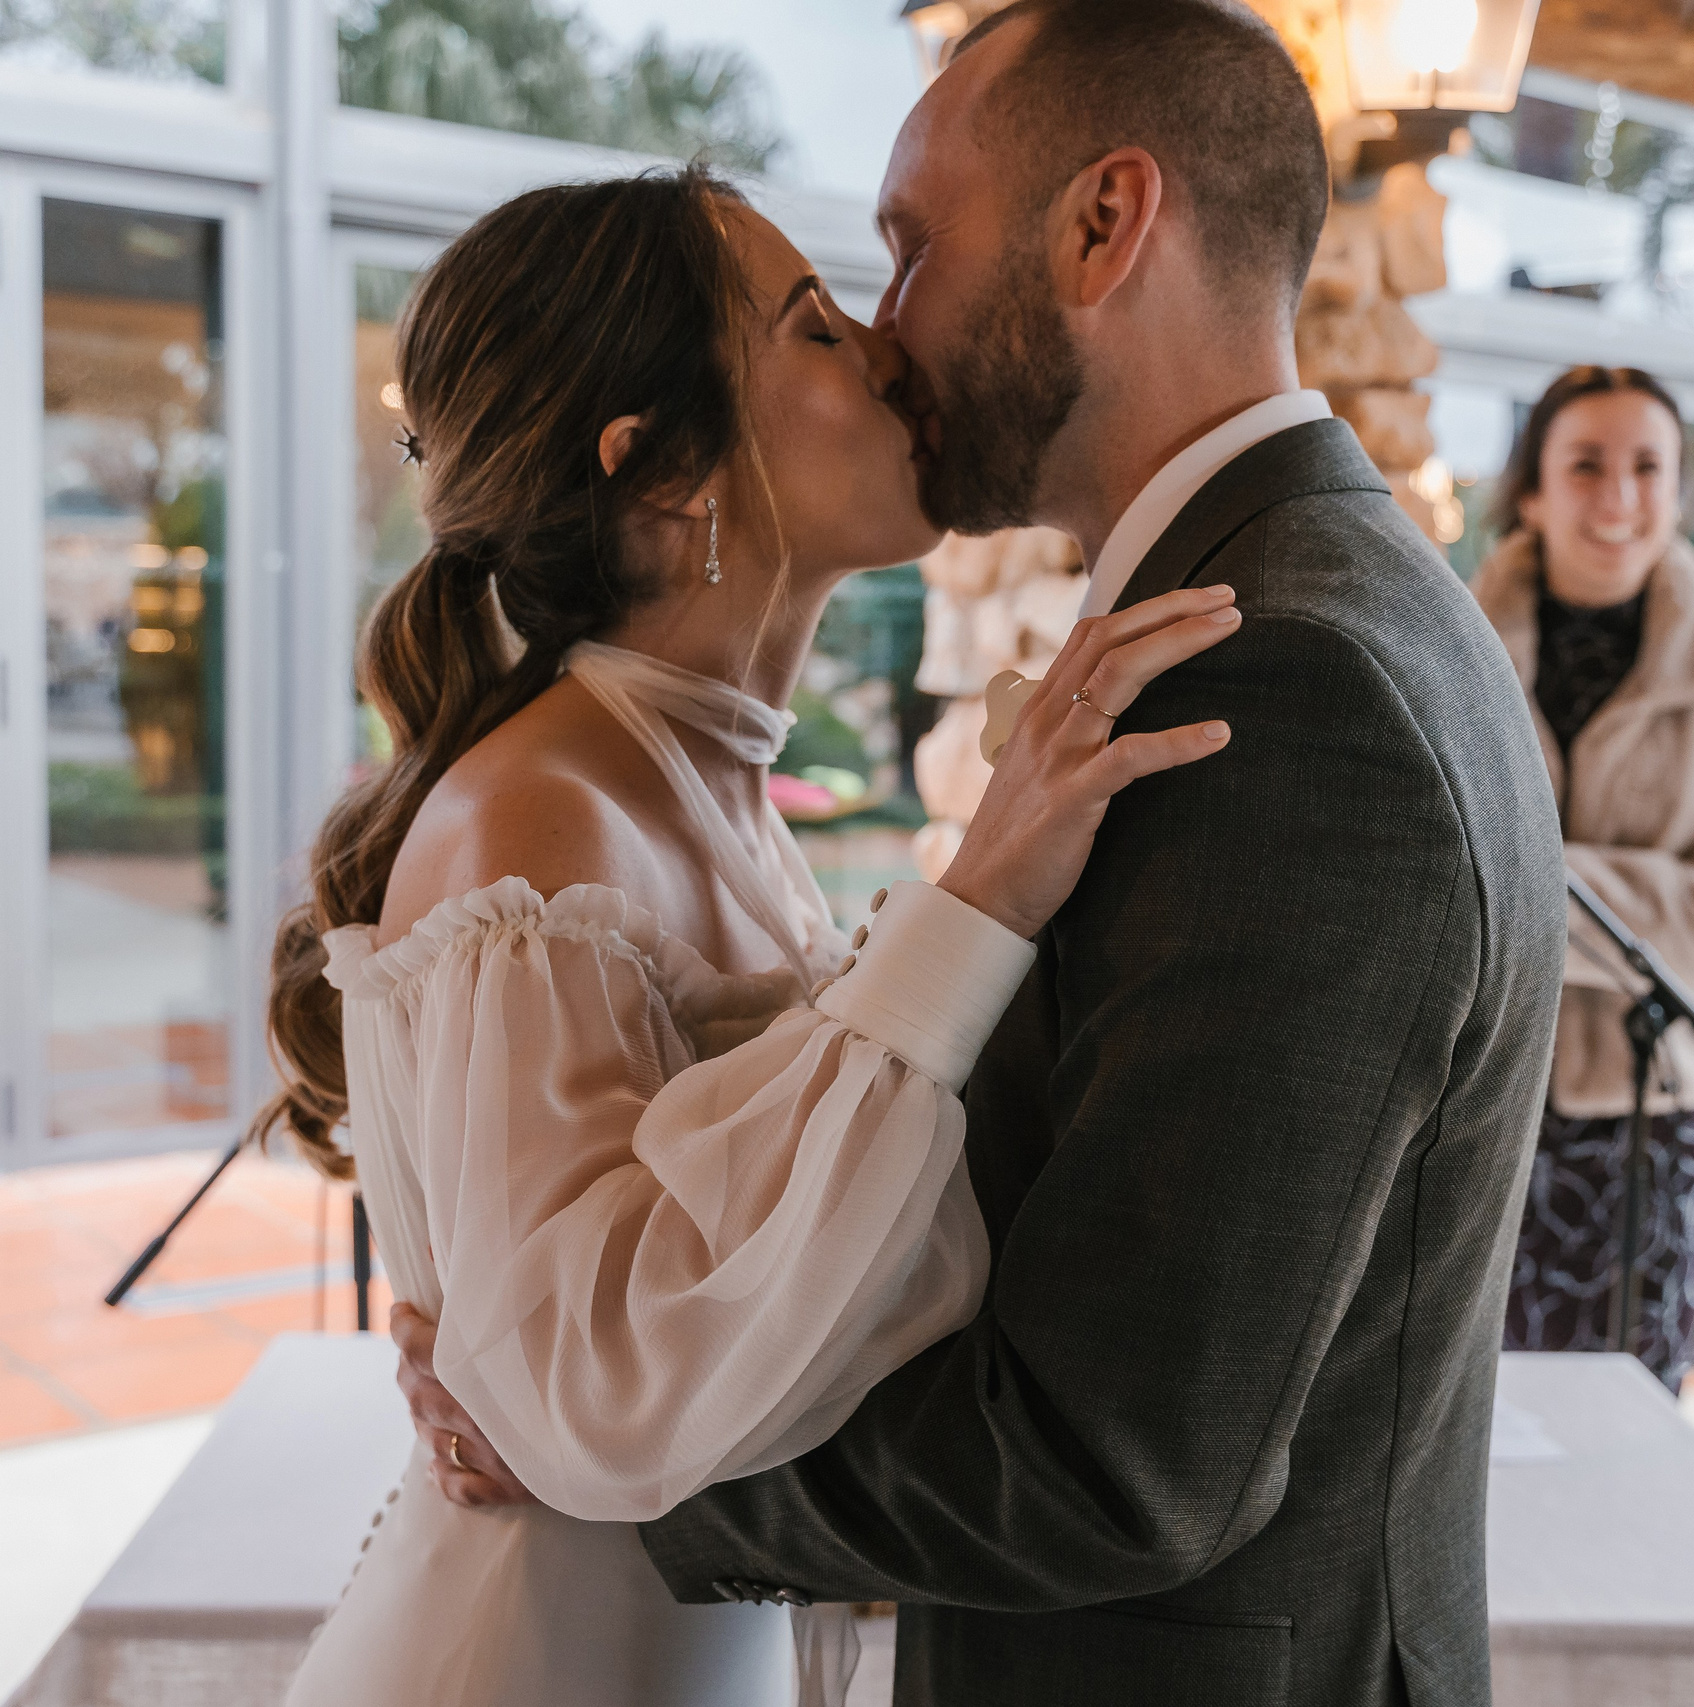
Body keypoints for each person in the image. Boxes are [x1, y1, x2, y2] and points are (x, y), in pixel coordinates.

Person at [392, 3, 1567, 1704]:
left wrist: (611, 1467)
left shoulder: (1288, 680)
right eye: (837, 298)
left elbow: (1121, 1452)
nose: (885, 333)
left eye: (907, 247)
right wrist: (563, 1363)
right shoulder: (1276, 615)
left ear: (1103, 226)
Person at [263, 167, 1246, 1707]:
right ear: (663, 474)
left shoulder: (698, 786)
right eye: (813, 325)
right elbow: (591, 1380)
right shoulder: (542, 819)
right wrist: (976, 899)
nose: (885, 351)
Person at [1470, 365, 1694, 1394]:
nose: (1618, 497)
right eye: (1585, 464)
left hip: (1658, 1109)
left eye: (1646, 467)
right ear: (1530, 488)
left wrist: (1518, 879)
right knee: (1456, 1423)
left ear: (1678, 489)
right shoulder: (1444, 641)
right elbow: (1408, 870)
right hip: (1475, 1093)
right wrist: (1625, 898)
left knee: (1626, 1419)